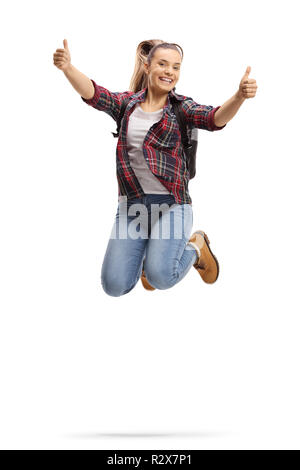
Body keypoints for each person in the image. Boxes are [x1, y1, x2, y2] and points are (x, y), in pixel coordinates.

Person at [53, 39, 257, 296]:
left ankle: (196, 247)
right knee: (113, 286)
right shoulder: (127, 105)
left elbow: (214, 118)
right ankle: (151, 257)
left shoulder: (182, 108)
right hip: (133, 206)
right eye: (162, 64)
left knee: (162, 277)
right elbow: (95, 94)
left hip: (172, 204)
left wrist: (239, 97)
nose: (169, 71)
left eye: (176, 67)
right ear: (148, 67)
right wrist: (68, 68)